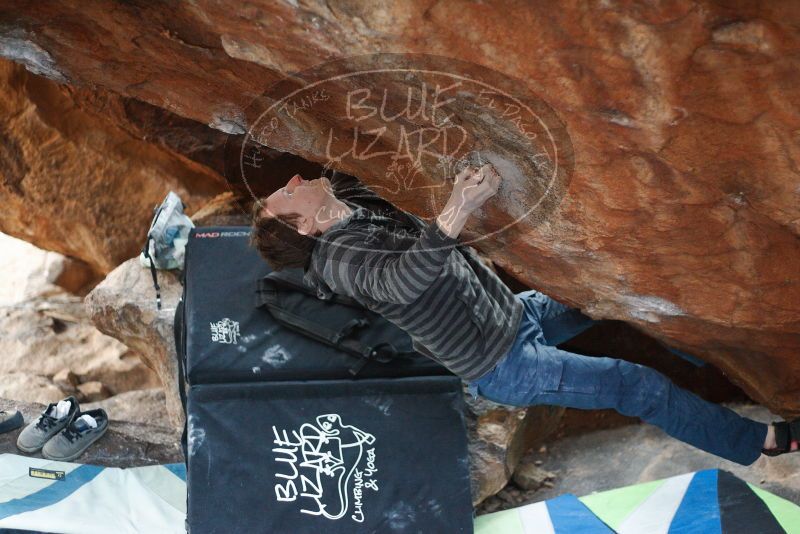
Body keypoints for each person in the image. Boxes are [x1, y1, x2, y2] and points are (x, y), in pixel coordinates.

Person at [250, 166, 800, 465]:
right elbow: (402, 278)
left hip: (511, 317)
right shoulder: (340, 260)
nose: (294, 181)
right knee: (633, 384)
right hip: (504, 363)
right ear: (304, 229)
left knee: (607, 295)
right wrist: (458, 210)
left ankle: (721, 356)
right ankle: (763, 442)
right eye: (286, 194)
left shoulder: (351, 214)